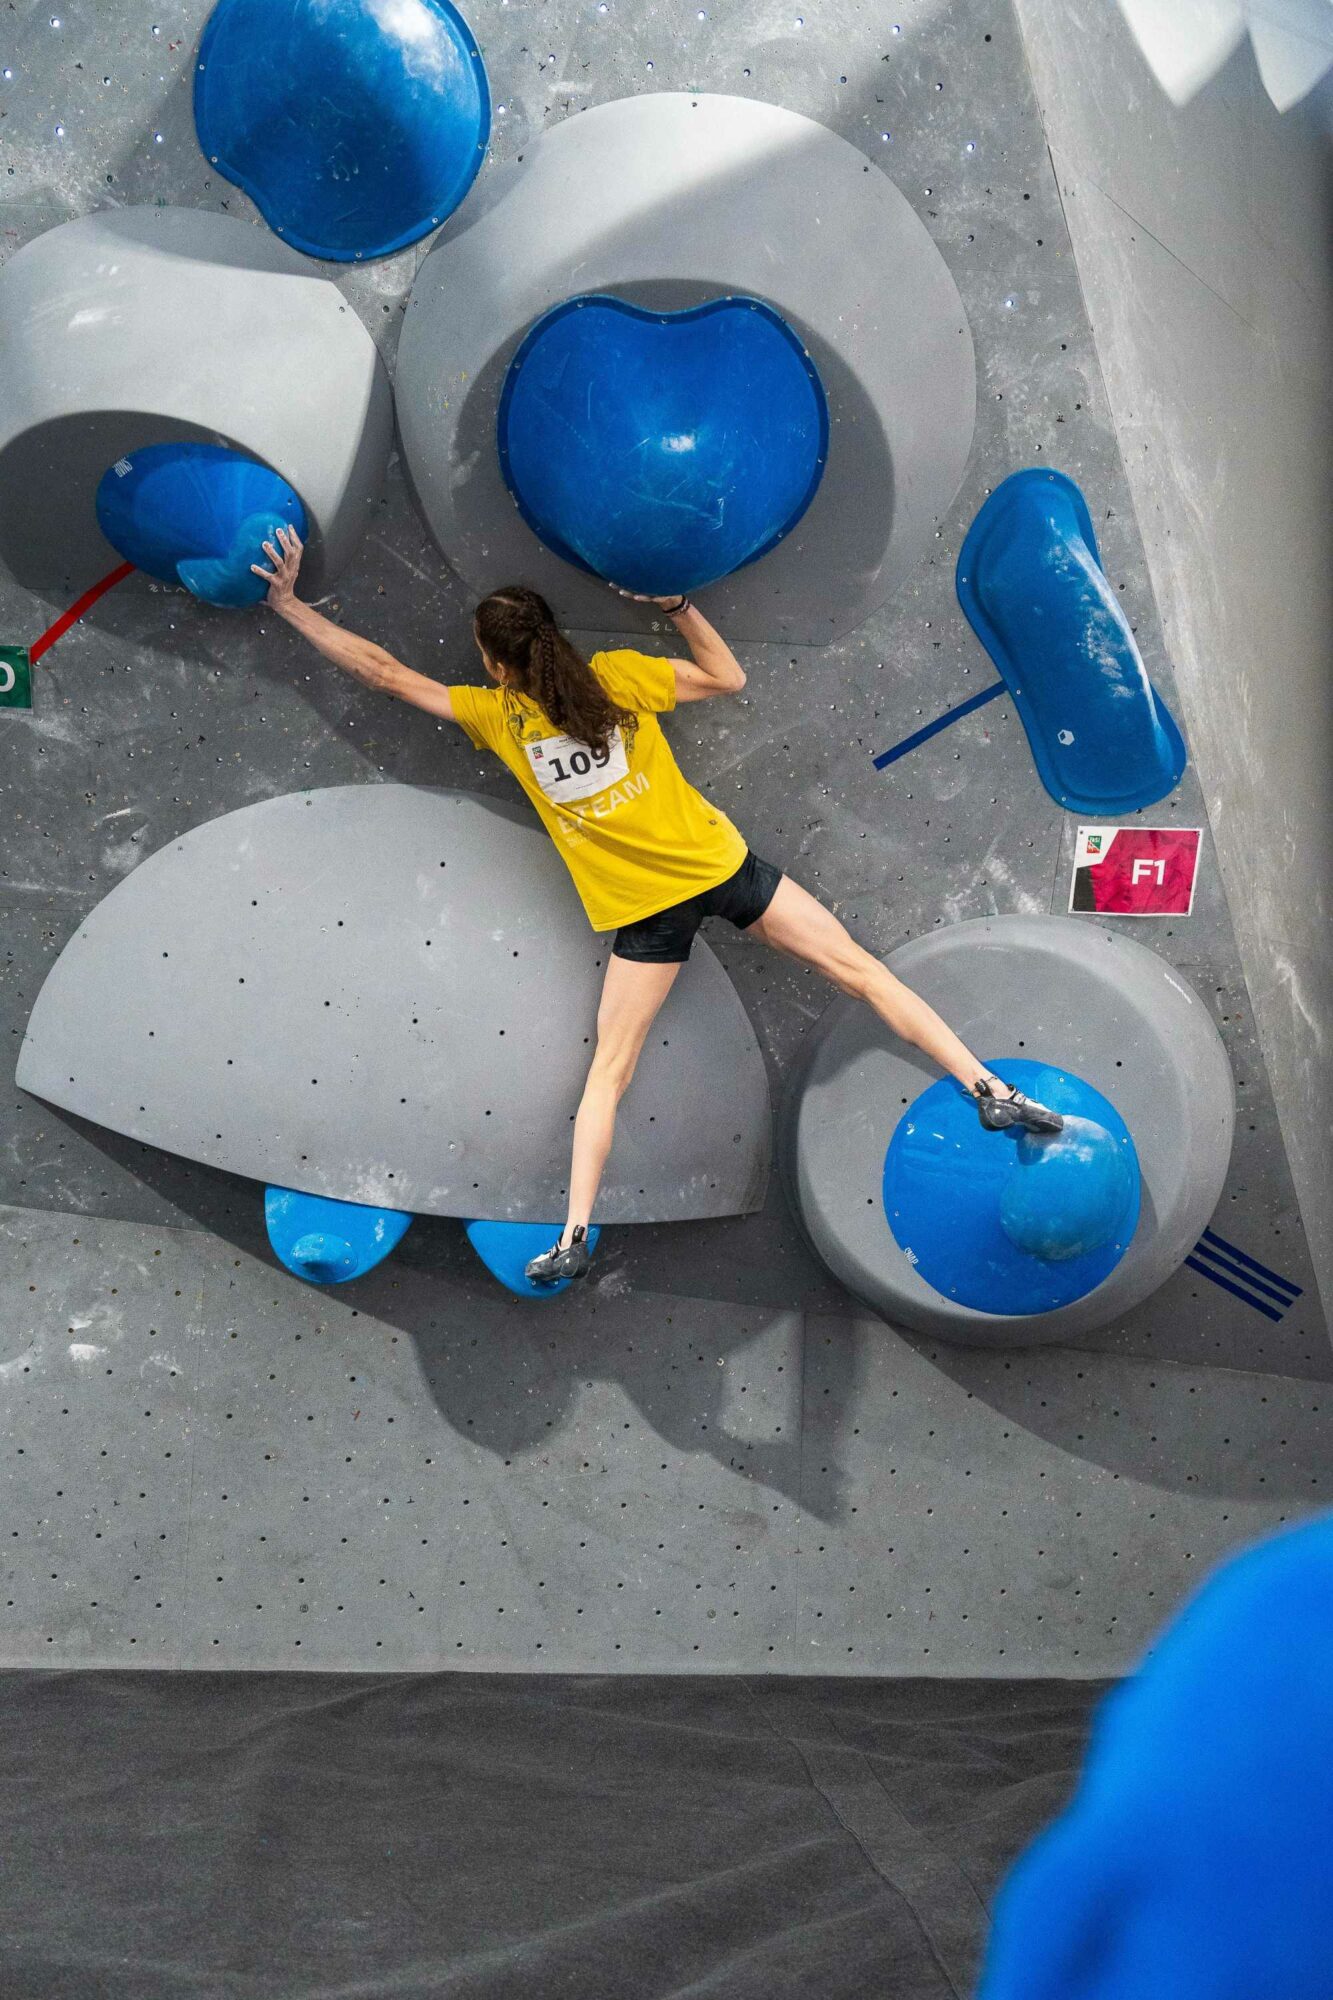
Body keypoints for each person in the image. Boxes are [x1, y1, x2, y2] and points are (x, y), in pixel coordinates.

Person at [254, 527, 1060, 1285]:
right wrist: (676, 607)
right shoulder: (615, 679)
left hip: (646, 915)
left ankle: (572, 1234)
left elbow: (385, 674)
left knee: (609, 1071)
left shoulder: (500, 718)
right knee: (862, 973)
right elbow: (726, 677)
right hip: (722, 870)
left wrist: (290, 607)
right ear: (552, 638)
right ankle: (988, 1088)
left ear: (496, 666)